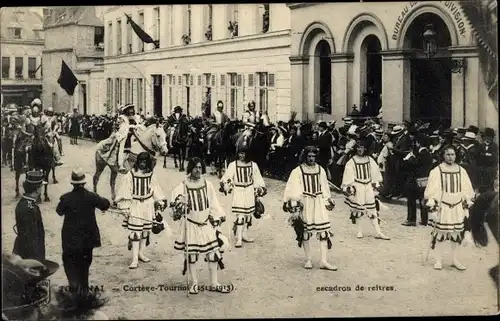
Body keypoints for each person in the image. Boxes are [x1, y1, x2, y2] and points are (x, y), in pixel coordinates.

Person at [170, 157, 231, 294]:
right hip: (191, 225)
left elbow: (213, 202)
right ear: (190, 168)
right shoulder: (183, 186)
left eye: (200, 167)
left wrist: (218, 216)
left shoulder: (207, 184)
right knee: (191, 255)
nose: (198, 170)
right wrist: (179, 207)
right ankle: (194, 283)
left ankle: (214, 283)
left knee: (213, 254)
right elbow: (174, 206)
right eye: (195, 167)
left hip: (205, 225)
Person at [56, 168, 111, 292]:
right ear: (84, 183)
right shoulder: (91, 196)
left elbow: (59, 211)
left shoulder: (66, 198)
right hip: (87, 239)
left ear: (72, 183)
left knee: (70, 264)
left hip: (70, 239)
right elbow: (105, 204)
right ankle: (84, 289)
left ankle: (73, 288)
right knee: (85, 266)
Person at [283, 146, 337, 271]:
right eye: (309, 156)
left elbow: (324, 187)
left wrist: (327, 199)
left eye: (313, 156)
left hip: (318, 202)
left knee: (323, 232)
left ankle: (323, 261)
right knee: (305, 232)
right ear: (305, 157)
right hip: (305, 202)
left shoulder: (320, 170)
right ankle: (308, 259)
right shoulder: (298, 171)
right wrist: (293, 203)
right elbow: (292, 188)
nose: (311, 158)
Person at [424, 145, 475, 270]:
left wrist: (465, 203)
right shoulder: (437, 171)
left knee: (455, 234)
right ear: (443, 155)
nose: (450, 157)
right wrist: (434, 206)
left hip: (457, 206)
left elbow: (466, 189)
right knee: (440, 234)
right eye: (448, 154)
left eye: (452, 154)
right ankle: (438, 260)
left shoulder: (461, 170)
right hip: (443, 206)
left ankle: (454, 260)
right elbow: (432, 190)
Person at [115, 152, 167, 269]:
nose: (143, 164)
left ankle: (141, 253)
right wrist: (125, 206)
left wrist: (159, 201)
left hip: (148, 205)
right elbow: (125, 190)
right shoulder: (131, 174)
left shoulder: (151, 175)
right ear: (137, 162)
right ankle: (134, 259)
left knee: (145, 231)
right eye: (141, 161)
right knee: (135, 233)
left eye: (145, 162)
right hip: (135, 204)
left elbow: (155, 190)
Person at [342, 137, 390, 240]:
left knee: (372, 209)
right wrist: (350, 187)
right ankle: (359, 231)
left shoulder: (369, 160)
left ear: (365, 149)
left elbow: (375, 173)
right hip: (358, 186)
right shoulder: (352, 161)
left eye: (362, 148)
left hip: (368, 186)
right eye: (358, 148)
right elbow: (348, 175)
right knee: (358, 209)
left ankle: (378, 232)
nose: (360, 150)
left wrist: (375, 185)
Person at [220, 144, 266, 248]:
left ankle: (244, 234)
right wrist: (227, 185)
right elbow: (227, 177)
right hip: (239, 191)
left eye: (243, 153)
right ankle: (239, 238)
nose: (241, 155)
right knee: (240, 215)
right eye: (240, 153)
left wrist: (258, 190)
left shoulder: (253, 165)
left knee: (248, 215)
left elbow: (257, 178)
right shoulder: (233, 165)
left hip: (249, 191)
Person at [12, 170, 47, 261]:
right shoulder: (30, 208)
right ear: (37, 189)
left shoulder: (23, 203)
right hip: (31, 255)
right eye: (41, 186)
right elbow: (31, 237)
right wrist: (37, 259)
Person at [401, 135, 434, 226]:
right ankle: (424, 220)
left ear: (418, 143)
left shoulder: (421, 154)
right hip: (425, 179)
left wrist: (409, 158)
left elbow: (414, 165)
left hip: (415, 179)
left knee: (411, 199)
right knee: (423, 199)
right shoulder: (428, 153)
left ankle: (411, 219)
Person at [115, 104, 137, 172]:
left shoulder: (133, 117)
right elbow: (119, 126)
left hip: (131, 135)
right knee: (122, 149)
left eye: (131, 109)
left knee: (130, 150)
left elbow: (135, 124)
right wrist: (130, 128)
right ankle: (120, 164)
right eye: (129, 109)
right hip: (123, 135)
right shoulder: (122, 117)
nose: (131, 110)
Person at [476, 127, 498, 194]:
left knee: (490, 187)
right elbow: (477, 157)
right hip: (482, 169)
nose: (489, 139)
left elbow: (495, 158)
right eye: (487, 137)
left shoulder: (495, 146)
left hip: (490, 170)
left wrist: (487, 156)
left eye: (491, 137)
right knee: (482, 187)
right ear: (485, 137)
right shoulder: (481, 146)